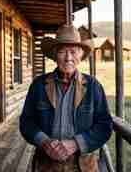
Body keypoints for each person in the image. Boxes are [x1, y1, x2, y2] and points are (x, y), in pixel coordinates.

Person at [19, 24, 113, 172]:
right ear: (55, 55)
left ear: (80, 55)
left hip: (84, 165)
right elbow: (26, 122)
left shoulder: (93, 86)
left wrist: (76, 143)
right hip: (46, 164)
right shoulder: (38, 85)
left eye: (73, 51)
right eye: (62, 51)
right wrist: (44, 142)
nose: (68, 57)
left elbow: (104, 126)